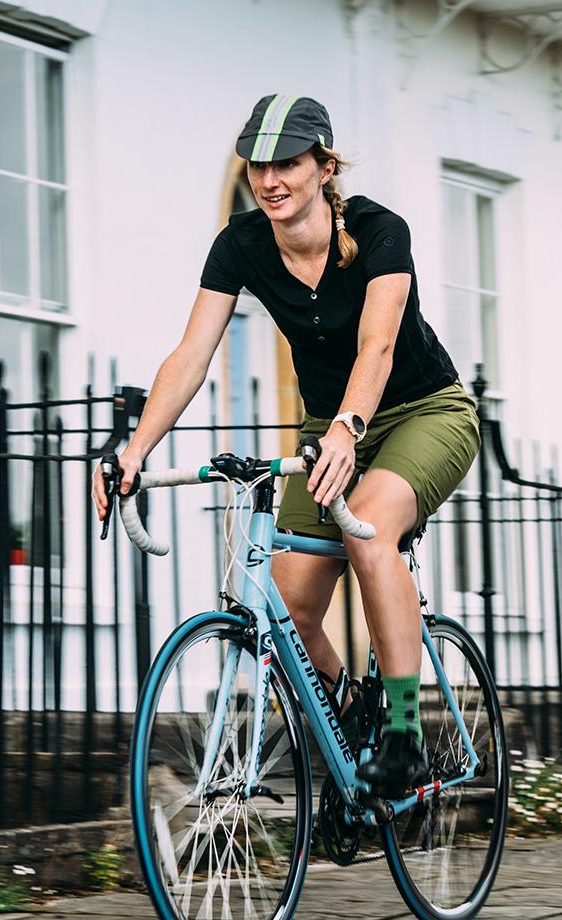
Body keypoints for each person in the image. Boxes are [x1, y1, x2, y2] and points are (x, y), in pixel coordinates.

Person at [91, 94, 479, 797]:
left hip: (423, 411)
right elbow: (191, 356)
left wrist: (348, 429)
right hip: (327, 427)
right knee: (290, 607)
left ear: (324, 168)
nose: (269, 181)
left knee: (369, 529)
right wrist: (135, 450)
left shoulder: (379, 232)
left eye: (288, 165)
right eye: (257, 166)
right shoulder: (241, 244)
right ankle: (349, 720)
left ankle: (402, 734)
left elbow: (378, 343)